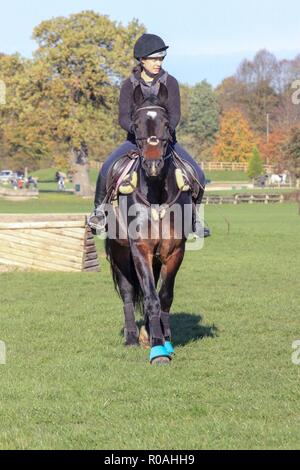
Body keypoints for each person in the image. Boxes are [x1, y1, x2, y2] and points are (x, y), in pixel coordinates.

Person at [91, 33, 210, 237]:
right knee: (106, 168)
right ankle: (100, 212)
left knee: (197, 173)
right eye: (154, 59)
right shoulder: (129, 85)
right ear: (142, 60)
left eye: (161, 58)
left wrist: (162, 134)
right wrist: (139, 133)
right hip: (135, 142)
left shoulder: (170, 82)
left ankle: (195, 218)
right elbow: (122, 117)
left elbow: (175, 115)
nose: (158, 62)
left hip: (166, 141)